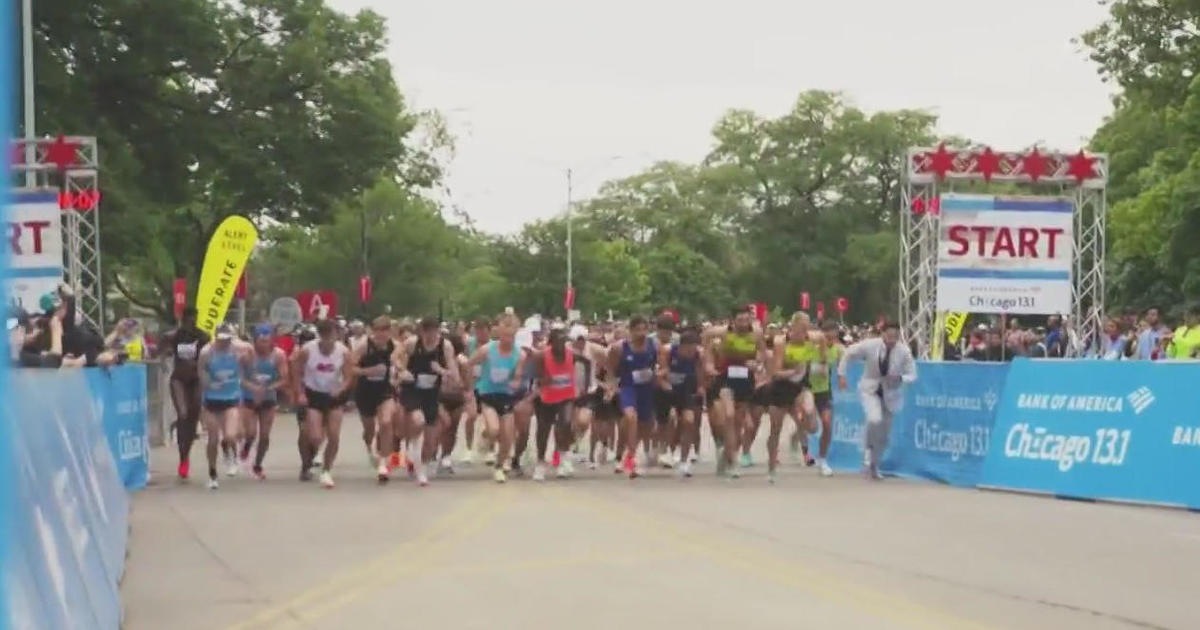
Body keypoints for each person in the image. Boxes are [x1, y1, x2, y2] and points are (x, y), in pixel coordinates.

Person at [837, 321, 917, 480]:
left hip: (891, 392)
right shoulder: (871, 345)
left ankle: (875, 465)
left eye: (895, 336)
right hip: (870, 388)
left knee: (885, 435)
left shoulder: (904, 351)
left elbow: (913, 375)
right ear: (883, 334)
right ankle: (867, 454)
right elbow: (849, 353)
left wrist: (900, 378)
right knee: (874, 419)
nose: (891, 339)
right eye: (889, 335)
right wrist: (842, 374)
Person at [397, 317, 459, 486]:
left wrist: (443, 371)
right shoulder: (412, 343)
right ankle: (412, 450)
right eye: (426, 332)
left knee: (431, 441)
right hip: (412, 390)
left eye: (434, 331)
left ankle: (422, 465)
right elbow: (394, 357)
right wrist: (402, 370)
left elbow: (453, 372)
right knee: (418, 420)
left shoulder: (445, 346)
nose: (430, 335)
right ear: (421, 331)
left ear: (438, 331)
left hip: (431, 393)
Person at [703, 308, 764, 478]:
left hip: (745, 380)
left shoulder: (756, 334)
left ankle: (729, 454)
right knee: (728, 415)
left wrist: (757, 362)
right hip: (725, 378)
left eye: (747, 320)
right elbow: (706, 336)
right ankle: (733, 460)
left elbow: (762, 353)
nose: (744, 324)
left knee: (738, 423)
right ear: (733, 321)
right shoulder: (722, 332)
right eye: (740, 320)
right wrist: (708, 361)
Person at [292, 319, 353, 488]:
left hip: (334, 396)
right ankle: (306, 464)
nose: (328, 340)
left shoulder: (343, 352)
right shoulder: (307, 350)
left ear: (336, 335)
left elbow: (348, 377)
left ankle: (326, 470)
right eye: (325, 336)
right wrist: (300, 393)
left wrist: (341, 389)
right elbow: (296, 371)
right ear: (320, 336)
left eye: (331, 336)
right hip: (313, 395)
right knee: (314, 436)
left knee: (334, 435)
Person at [468, 313, 527, 483]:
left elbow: (518, 375)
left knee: (508, 436)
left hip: (506, 396)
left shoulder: (520, 355)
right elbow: (469, 364)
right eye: (506, 336)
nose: (509, 339)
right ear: (499, 334)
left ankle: (499, 466)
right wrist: (469, 385)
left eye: (512, 336)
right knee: (494, 429)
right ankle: (486, 436)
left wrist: (516, 381)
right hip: (487, 394)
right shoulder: (488, 349)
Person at [159, 307, 210, 480]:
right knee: (183, 414)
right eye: (188, 320)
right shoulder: (173, 336)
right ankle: (183, 458)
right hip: (179, 379)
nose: (191, 323)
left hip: (196, 380)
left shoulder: (202, 337)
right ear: (182, 320)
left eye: (193, 320)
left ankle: (186, 451)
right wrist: (164, 356)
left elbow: (208, 358)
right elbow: (162, 351)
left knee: (193, 416)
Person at [350, 316, 402, 482]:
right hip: (365, 391)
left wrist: (399, 375)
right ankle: (368, 445)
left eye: (385, 331)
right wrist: (369, 371)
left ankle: (383, 463)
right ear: (372, 331)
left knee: (386, 422)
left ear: (390, 331)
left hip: (385, 390)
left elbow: (403, 365)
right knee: (370, 429)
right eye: (378, 331)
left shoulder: (395, 346)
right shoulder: (364, 346)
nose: (381, 335)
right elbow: (350, 368)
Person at [768, 313, 818, 483]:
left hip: (801, 388)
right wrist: (792, 371)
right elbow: (775, 373)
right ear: (792, 327)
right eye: (801, 328)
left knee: (812, 424)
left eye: (807, 327)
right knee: (775, 429)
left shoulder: (812, 342)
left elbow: (823, 345)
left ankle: (797, 436)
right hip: (781, 388)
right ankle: (771, 467)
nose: (805, 331)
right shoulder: (782, 343)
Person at [608, 315, 658, 478]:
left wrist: (658, 376)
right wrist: (612, 388)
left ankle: (626, 453)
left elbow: (657, 366)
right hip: (628, 387)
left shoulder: (653, 345)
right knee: (631, 417)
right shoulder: (619, 348)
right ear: (630, 331)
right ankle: (632, 460)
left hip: (647, 389)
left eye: (644, 329)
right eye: (637, 330)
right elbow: (610, 371)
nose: (641, 333)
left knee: (645, 425)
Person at [197, 324, 246, 489]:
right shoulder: (206, 353)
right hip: (211, 401)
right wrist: (210, 384)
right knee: (212, 439)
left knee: (230, 435)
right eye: (221, 340)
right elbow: (201, 375)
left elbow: (250, 356)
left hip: (231, 399)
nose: (224, 343)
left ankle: (230, 452)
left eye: (228, 340)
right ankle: (212, 473)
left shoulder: (237, 350)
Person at [239, 324, 288, 480]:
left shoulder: (278, 355)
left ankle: (258, 464)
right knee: (251, 433)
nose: (264, 345)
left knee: (265, 436)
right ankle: (247, 445)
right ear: (255, 341)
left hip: (268, 398)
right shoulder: (246, 355)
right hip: (249, 397)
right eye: (260, 341)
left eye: (267, 341)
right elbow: (239, 377)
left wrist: (268, 388)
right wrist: (253, 387)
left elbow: (284, 378)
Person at [531, 325, 578, 481]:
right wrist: (545, 379)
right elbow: (537, 379)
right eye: (558, 341)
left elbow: (587, 362)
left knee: (565, 422)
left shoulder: (572, 354)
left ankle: (563, 458)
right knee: (543, 430)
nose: (561, 344)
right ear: (551, 341)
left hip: (566, 395)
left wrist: (584, 386)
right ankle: (540, 462)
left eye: (563, 340)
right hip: (547, 397)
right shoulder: (542, 356)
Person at [657, 328, 704, 478]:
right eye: (689, 349)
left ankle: (684, 461)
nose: (691, 351)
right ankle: (667, 451)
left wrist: (701, 387)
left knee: (689, 421)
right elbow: (660, 374)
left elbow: (699, 374)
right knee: (670, 420)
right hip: (667, 391)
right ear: (682, 346)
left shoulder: (698, 355)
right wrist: (665, 385)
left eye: (694, 348)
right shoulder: (667, 351)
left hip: (685, 391)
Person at [459, 317, 493, 465]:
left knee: (490, 420)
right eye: (477, 330)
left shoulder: (493, 346)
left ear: (489, 331)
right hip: (473, 383)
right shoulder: (470, 344)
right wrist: (466, 384)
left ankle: (490, 449)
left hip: (488, 385)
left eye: (483, 330)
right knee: (471, 416)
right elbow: (464, 362)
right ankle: (468, 448)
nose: (480, 333)